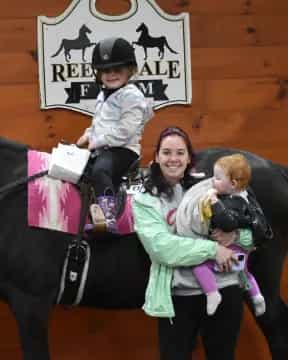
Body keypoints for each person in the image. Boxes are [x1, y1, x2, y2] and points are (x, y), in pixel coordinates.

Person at [132, 126, 249, 360]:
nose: (173, 159)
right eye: (166, 152)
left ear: (189, 158)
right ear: (156, 158)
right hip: (179, 298)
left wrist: (235, 237)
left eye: (179, 152)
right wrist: (213, 249)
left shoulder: (213, 187)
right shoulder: (145, 200)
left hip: (226, 288)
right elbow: (162, 248)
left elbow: (251, 232)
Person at [176, 153, 272, 316]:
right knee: (244, 273)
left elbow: (228, 223)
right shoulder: (241, 197)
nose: (212, 181)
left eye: (217, 178)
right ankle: (256, 296)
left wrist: (214, 203)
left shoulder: (234, 202)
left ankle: (212, 294)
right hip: (241, 250)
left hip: (233, 249)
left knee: (200, 267)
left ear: (233, 183)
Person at [76, 37, 153, 233]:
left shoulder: (132, 96)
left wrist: (96, 141)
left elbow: (126, 130)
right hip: (104, 148)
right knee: (79, 171)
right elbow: (100, 123)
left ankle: (108, 217)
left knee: (101, 170)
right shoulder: (103, 94)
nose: (111, 75)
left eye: (117, 70)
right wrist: (87, 135)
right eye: (105, 71)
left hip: (124, 150)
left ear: (130, 70)